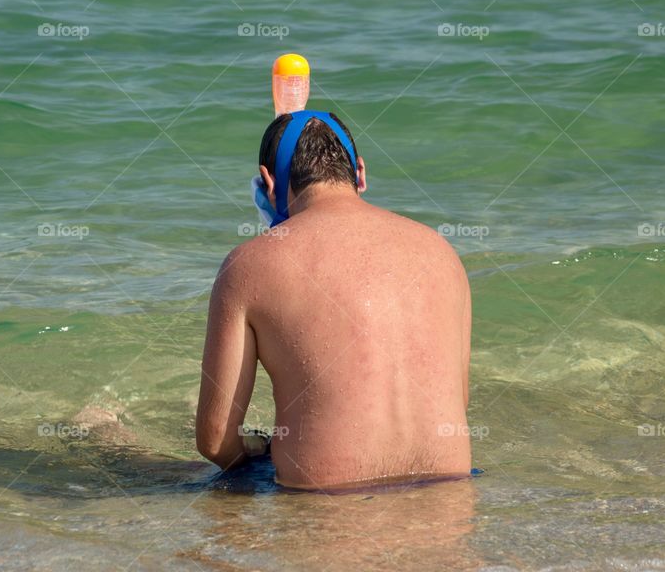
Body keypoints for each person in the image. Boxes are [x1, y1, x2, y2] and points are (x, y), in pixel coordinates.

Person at [194, 110, 472, 489]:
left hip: (327, 516)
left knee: (130, 460)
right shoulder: (441, 252)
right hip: (449, 503)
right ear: (359, 172)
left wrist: (261, 448)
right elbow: (459, 402)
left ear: (266, 183)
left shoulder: (250, 264)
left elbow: (215, 441)